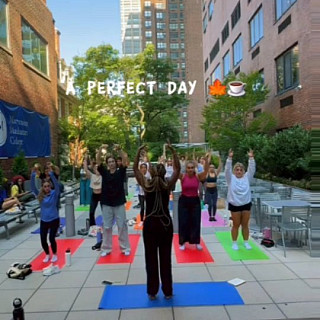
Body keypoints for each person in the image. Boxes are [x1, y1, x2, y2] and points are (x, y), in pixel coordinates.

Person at [133, 143, 180, 300]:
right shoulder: (167, 185)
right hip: (165, 225)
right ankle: (167, 291)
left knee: (151, 259)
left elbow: (135, 171)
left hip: (151, 225)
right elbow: (178, 170)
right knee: (165, 259)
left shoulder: (147, 186)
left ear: (152, 173)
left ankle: (152, 292)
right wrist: (174, 153)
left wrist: (138, 153)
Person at [97, 144, 131, 256]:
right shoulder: (104, 172)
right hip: (106, 202)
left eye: (113, 161)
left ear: (116, 163)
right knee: (107, 226)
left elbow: (125, 160)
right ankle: (106, 248)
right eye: (109, 162)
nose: (111, 163)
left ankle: (125, 247)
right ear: (107, 164)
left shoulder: (120, 172)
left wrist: (119, 150)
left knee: (122, 225)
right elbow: (98, 161)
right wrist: (100, 150)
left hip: (119, 202)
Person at [178, 153, 210, 251]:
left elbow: (206, 171)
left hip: (195, 201)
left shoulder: (198, 176)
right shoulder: (182, 176)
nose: (190, 169)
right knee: (184, 222)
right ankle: (183, 242)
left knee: (195, 222)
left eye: (192, 167)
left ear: (194, 168)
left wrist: (206, 161)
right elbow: (176, 169)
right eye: (188, 167)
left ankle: (196, 242)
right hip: (184, 201)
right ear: (186, 168)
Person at [225, 149, 256, 250]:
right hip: (235, 205)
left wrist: (251, 158)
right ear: (234, 171)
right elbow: (227, 169)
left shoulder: (247, 177)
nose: (239, 171)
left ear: (243, 171)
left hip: (246, 204)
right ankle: (234, 242)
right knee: (236, 224)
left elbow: (252, 169)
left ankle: (246, 242)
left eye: (241, 170)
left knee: (245, 224)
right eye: (237, 170)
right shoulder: (231, 178)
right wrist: (229, 158)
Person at [31, 165, 61, 263]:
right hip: (44, 220)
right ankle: (47, 254)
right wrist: (33, 175)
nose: (47, 188)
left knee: (51, 238)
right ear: (42, 188)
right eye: (45, 186)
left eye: (48, 186)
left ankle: (55, 254)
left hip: (54, 219)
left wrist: (51, 174)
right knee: (43, 239)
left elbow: (57, 185)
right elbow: (33, 188)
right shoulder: (40, 195)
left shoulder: (54, 194)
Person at [83, 158, 102, 227]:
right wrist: (85, 162)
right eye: (95, 169)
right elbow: (86, 170)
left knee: (105, 211)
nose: (97, 170)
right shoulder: (92, 176)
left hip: (102, 195)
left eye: (98, 168)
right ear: (93, 170)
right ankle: (92, 225)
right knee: (91, 212)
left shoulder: (102, 176)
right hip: (94, 195)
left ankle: (106, 223)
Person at [204, 155, 222, 221]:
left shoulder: (216, 173)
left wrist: (219, 159)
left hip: (214, 190)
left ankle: (213, 216)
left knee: (214, 204)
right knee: (210, 204)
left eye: (213, 167)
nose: (212, 168)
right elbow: (205, 166)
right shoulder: (207, 173)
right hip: (208, 190)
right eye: (210, 167)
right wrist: (207, 159)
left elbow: (220, 167)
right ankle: (210, 216)